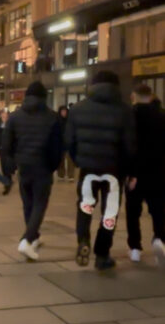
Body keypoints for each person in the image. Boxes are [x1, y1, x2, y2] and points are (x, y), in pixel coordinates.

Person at [65, 70, 136, 271]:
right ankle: (102, 254)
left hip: (88, 168)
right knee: (110, 211)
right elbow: (130, 145)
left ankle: (83, 241)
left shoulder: (78, 109)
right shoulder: (125, 110)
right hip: (114, 170)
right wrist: (129, 169)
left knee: (85, 206)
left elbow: (69, 140)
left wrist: (79, 160)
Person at [2, 81, 63, 261]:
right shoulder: (52, 117)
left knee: (28, 203)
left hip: (24, 166)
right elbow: (58, 146)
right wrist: (52, 166)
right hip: (42, 166)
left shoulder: (15, 117)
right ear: (44, 98)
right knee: (39, 204)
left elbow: (6, 144)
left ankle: (33, 236)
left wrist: (12, 164)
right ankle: (27, 240)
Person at [126, 83, 165, 265]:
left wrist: (130, 173)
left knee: (133, 211)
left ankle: (135, 247)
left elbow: (129, 147)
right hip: (158, 172)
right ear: (151, 96)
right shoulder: (161, 116)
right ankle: (159, 239)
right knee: (158, 209)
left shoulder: (129, 116)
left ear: (134, 95)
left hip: (135, 174)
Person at [56, 105, 75, 181]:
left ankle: (71, 175)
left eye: (65, 111)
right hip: (60, 143)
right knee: (60, 160)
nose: (64, 113)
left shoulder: (70, 121)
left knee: (70, 160)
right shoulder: (57, 121)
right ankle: (61, 175)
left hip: (69, 143)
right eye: (62, 111)